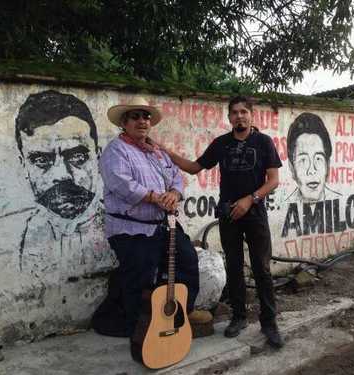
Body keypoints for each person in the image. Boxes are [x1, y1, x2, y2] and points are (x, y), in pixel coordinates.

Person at [162, 96, 284, 348]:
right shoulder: (221, 144)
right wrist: (167, 153)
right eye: (234, 113)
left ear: (251, 115)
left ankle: (269, 323)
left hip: (255, 213)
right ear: (229, 118)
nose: (239, 116)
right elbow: (195, 167)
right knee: (234, 266)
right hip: (228, 214)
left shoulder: (263, 142)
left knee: (262, 268)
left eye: (243, 112)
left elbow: (273, 180)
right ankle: (238, 317)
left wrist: (250, 200)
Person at [99, 97, 210, 338]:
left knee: (187, 261)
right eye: (135, 117)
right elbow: (121, 184)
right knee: (139, 276)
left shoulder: (157, 152)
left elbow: (176, 177)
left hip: (163, 225)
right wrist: (153, 197)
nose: (142, 121)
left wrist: (173, 193)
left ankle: (180, 314)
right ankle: (136, 328)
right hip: (131, 228)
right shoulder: (116, 150)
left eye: (145, 117)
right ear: (124, 123)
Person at [13, 89, 110, 273]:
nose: (62, 174)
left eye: (78, 156)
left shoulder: (119, 228)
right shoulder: (16, 238)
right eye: (41, 160)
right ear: (23, 166)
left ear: (98, 158)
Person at [285, 112, 341, 202]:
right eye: (303, 160)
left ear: (328, 165)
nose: (311, 170)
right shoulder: (283, 206)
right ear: (292, 168)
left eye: (318, 159)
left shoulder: (340, 201)